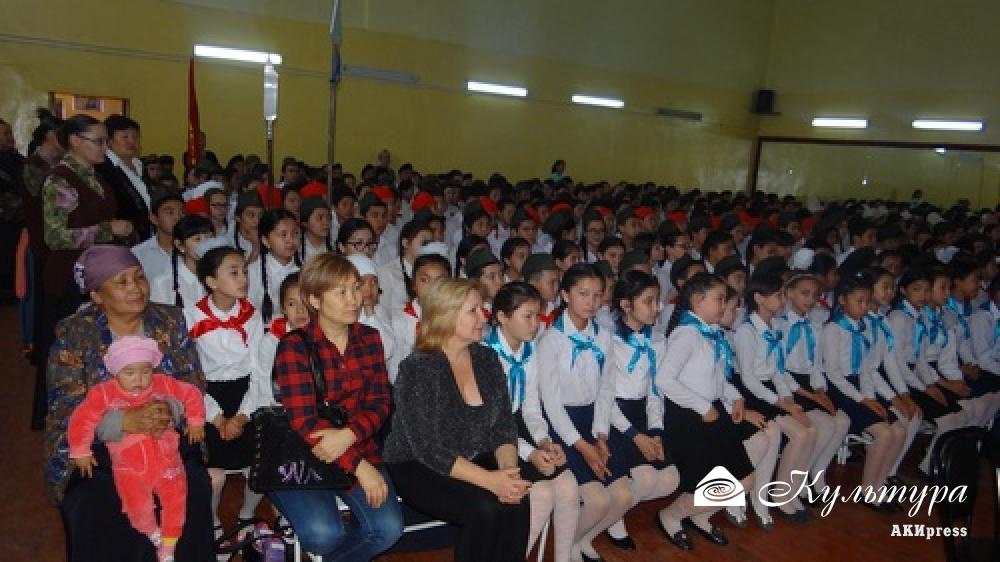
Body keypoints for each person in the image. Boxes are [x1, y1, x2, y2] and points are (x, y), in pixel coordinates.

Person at [44, 244, 214, 561]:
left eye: (139, 277)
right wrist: (123, 422)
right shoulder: (75, 333)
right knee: (98, 500)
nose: (135, 288)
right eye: (121, 282)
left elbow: (193, 382)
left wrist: (168, 410)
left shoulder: (170, 320)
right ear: (97, 295)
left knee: (192, 487)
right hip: (97, 447)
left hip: (167, 438)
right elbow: (64, 408)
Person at [384, 278, 531, 562]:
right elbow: (428, 449)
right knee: (484, 510)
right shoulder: (418, 368)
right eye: (473, 310)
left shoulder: (486, 359)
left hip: (472, 454)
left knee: (517, 499)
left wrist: (508, 474)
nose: (483, 317)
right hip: (416, 463)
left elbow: (504, 426)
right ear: (447, 316)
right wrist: (491, 481)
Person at [272, 253, 403, 560]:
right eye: (341, 292)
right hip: (304, 456)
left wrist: (349, 436)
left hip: (359, 445)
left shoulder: (370, 338)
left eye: (355, 288)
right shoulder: (294, 346)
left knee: (387, 530)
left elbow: (381, 402)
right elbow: (304, 422)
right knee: (323, 536)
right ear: (315, 300)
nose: (354, 299)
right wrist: (359, 466)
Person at [67, 335, 206, 562]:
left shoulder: (161, 384)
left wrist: (196, 420)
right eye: (129, 373)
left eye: (145, 371)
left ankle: (169, 547)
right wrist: (81, 450)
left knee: (177, 502)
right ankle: (152, 533)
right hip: (128, 467)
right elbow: (82, 419)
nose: (139, 379)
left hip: (168, 461)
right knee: (136, 507)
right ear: (115, 372)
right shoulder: (104, 393)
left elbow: (191, 393)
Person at [35, 115, 134, 429]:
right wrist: (108, 229)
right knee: (69, 350)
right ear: (76, 141)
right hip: (69, 276)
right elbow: (55, 236)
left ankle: (99, 410)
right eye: (99, 141)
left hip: (97, 271)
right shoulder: (60, 179)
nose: (105, 147)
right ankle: (66, 416)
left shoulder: (94, 175)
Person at [656, 273, 758, 551]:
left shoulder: (710, 332)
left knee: (745, 480)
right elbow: (664, 380)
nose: (725, 306)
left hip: (712, 412)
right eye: (720, 299)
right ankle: (671, 515)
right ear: (698, 300)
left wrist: (735, 397)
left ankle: (700, 516)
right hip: (689, 417)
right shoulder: (686, 334)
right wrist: (703, 407)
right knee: (713, 483)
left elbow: (716, 378)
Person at [537, 264, 628, 562]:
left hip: (594, 422)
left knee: (625, 496)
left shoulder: (604, 337)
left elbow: (606, 389)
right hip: (562, 426)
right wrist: (583, 446)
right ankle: (570, 546)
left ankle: (581, 538)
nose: (591, 302)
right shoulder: (550, 340)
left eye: (597, 295)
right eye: (583, 294)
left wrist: (600, 436)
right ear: (565, 295)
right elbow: (551, 404)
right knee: (598, 500)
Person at [487, 282, 579, 562]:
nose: (535, 323)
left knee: (568, 486)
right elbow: (492, 422)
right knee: (541, 494)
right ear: (502, 317)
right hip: (488, 435)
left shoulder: (529, 350)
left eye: (537, 315)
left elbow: (530, 407)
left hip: (516, 425)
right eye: (527, 316)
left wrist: (544, 442)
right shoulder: (485, 354)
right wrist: (530, 453)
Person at [184, 245, 269, 539]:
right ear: (211, 281)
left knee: (260, 469)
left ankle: (247, 515)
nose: (243, 278)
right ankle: (213, 523)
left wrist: (242, 417)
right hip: (206, 398)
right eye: (234, 272)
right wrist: (218, 418)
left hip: (247, 396)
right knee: (214, 477)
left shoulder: (252, 316)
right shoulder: (191, 317)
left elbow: (259, 372)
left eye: (244, 271)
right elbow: (190, 377)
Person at [603, 271, 680, 550]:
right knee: (646, 479)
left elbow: (655, 391)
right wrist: (635, 436)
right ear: (626, 305)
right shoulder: (608, 340)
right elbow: (605, 398)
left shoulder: (657, 341)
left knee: (670, 479)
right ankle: (612, 517)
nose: (656, 308)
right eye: (648, 301)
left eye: (657, 300)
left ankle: (611, 509)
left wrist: (655, 431)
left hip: (644, 414)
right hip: (614, 417)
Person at [734, 273, 817, 521]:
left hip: (770, 389)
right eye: (778, 295)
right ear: (759, 298)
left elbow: (778, 370)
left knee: (809, 430)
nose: (783, 300)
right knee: (797, 434)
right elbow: (748, 378)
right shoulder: (746, 331)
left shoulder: (775, 327)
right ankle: (766, 498)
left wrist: (789, 399)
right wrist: (780, 402)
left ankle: (789, 493)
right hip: (752, 392)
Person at [822, 271, 907, 510]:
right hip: (840, 389)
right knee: (884, 434)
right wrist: (863, 400)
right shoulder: (833, 329)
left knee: (899, 430)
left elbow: (868, 368)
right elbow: (834, 374)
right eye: (859, 301)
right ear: (842, 300)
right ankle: (868, 492)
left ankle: (879, 485)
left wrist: (871, 396)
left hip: (861, 386)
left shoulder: (867, 326)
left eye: (867, 301)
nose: (864, 307)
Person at [777, 273, 851, 498]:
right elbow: (779, 368)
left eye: (815, 295)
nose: (810, 300)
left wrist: (820, 390)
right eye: (805, 293)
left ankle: (816, 473)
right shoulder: (780, 325)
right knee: (825, 425)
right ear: (789, 293)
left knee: (842, 421)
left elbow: (816, 364)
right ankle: (797, 482)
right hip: (788, 384)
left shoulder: (815, 326)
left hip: (809, 382)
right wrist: (810, 395)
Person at [96, 115, 152, 242]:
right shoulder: (103, 169)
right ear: (109, 141)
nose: (131, 141)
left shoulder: (140, 165)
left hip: (146, 236)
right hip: (121, 239)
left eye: (135, 136)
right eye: (125, 137)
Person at [248, 208, 301, 323]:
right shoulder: (252, 273)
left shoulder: (306, 272)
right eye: (283, 235)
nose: (290, 240)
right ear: (265, 240)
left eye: (295, 233)